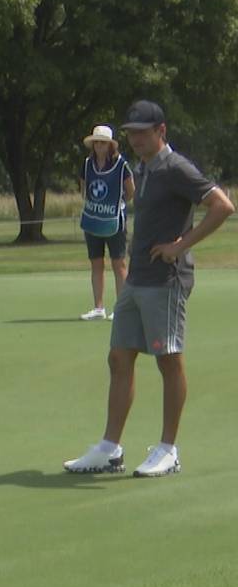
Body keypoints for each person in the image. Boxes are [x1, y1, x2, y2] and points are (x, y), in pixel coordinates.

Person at [64, 100, 234, 477]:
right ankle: (109, 449)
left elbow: (222, 206)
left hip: (166, 280)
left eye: (143, 132)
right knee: (119, 357)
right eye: (132, 133)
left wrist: (180, 246)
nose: (136, 139)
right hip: (138, 277)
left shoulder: (176, 168)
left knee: (168, 361)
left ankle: (168, 449)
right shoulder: (142, 167)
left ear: (161, 131)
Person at [77, 124, 134, 320]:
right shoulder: (86, 164)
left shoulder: (121, 165)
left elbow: (130, 190)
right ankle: (98, 308)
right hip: (93, 220)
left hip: (114, 221)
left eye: (103, 143)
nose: (99, 146)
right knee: (96, 263)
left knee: (119, 264)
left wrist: (118, 203)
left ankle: (122, 308)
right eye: (96, 143)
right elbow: (83, 188)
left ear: (110, 145)